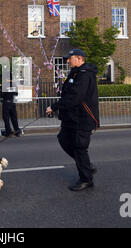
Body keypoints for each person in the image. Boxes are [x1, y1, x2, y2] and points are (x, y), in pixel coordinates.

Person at [46, 49, 99, 191]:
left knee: (80, 148)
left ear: (80, 58)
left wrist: (54, 106)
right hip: (71, 118)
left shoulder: (85, 74)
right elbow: (67, 95)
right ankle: (86, 166)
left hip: (83, 118)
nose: (67, 61)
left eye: (70, 58)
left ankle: (86, 179)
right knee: (63, 139)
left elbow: (75, 97)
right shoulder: (75, 72)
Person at [0, 73, 21, 137]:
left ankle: (8, 132)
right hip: (12, 103)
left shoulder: (4, 85)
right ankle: (17, 131)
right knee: (14, 117)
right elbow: (16, 93)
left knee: (6, 118)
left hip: (6, 103)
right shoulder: (14, 84)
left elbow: (2, 95)